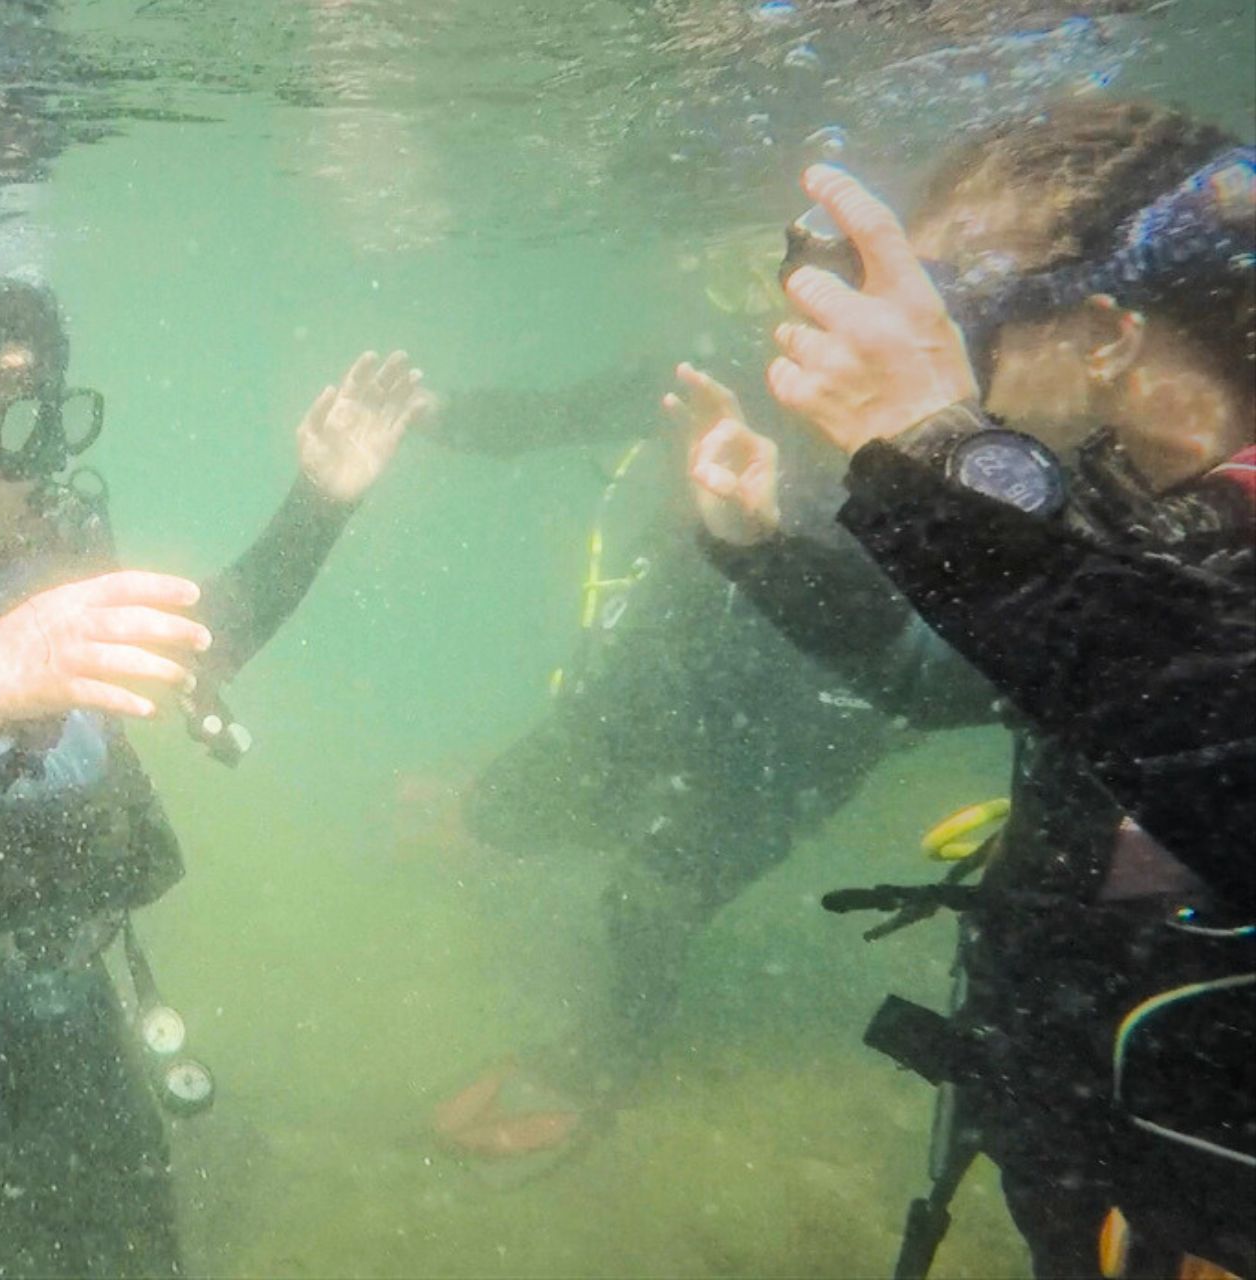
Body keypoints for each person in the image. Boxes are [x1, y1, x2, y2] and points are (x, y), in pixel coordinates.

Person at [0, 263, 433, 1277]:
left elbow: (195, 640)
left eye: (46, 416)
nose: (31, 456)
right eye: (0, 418)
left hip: (63, 1004)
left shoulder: (52, 543)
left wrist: (319, 503)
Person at [667, 99, 1253, 1277]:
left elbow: (1218, 753)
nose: (938, 348)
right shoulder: (1113, 505)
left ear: (1101, 333)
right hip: (1118, 1166)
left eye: (957, 315)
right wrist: (761, 546)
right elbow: (948, 670)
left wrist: (938, 449)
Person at [427, 393, 908, 1148]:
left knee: (646, 897)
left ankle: (607, 1067)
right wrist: (437, 412)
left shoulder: (907, 449)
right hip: (669, 671)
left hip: (797, 730)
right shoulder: (716, 380)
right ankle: (601, 825)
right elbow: (562, 411)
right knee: (499, 813)